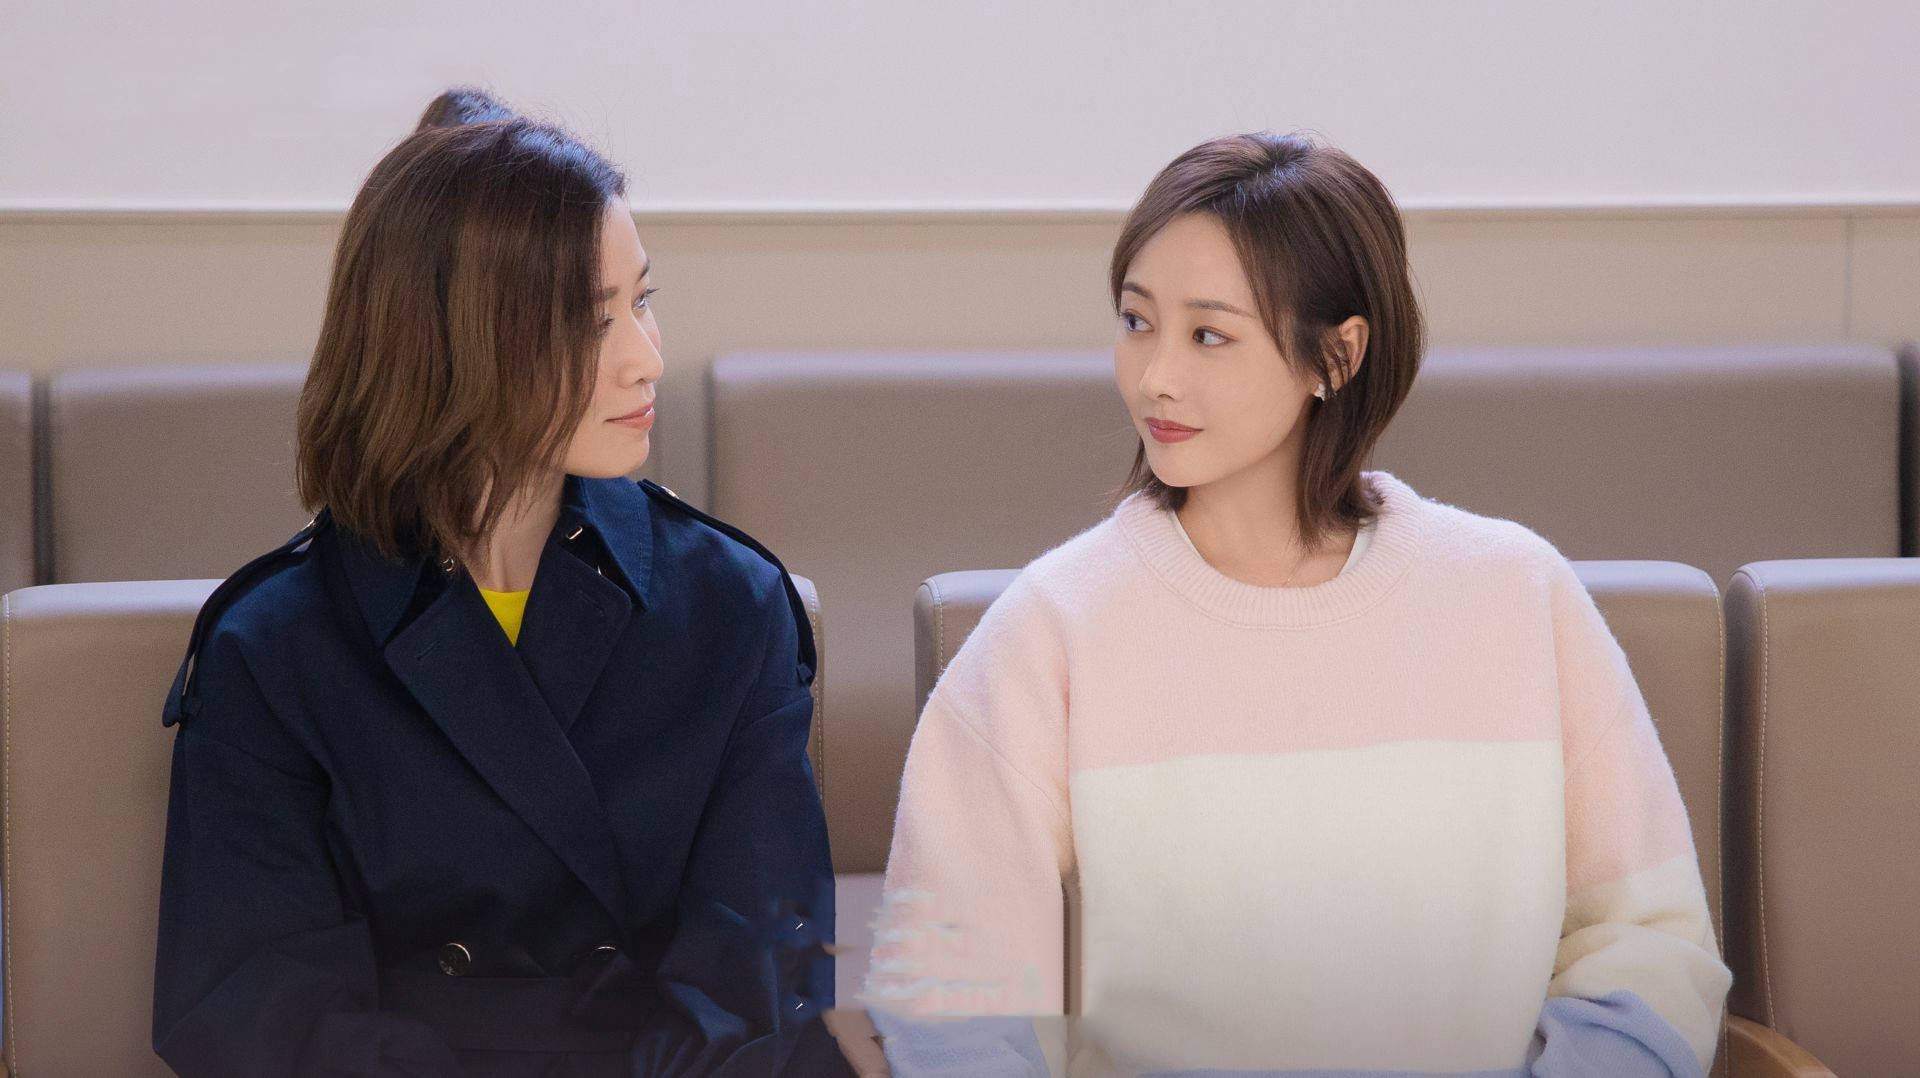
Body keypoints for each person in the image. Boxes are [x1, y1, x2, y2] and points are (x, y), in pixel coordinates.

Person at [865, 132, 1730, 1076]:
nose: (1155, 376)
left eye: (1209, 335)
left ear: (1338, 354)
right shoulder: (1052, 629)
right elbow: (950, 1000)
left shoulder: (1517, 595)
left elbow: (1649, 946)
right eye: (1137, 321)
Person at [152, 89, 844, 1077]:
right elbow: (255, 1011)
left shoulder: (732, 603)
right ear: (455, 346)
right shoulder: (271, 646)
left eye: (641, 300)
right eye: (594, 321)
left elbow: (759, 990)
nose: (647, 357)